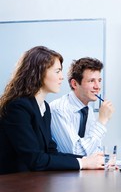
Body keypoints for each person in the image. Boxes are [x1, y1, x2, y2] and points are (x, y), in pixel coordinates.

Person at [0, 46, 104, 175]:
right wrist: (83, 163)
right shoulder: (18, 107)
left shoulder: (44, 107)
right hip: (13, 185)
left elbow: (51, 152)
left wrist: (88, 161)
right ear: (39, 72)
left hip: (33, 183)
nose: (61, 77)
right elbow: (35, 159)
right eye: (57, 71)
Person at [50, 57, 114, 155]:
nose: (98, 87)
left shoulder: (88, 110)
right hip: (60, 170)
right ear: (75, 84)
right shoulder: (59, 109)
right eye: (91, 81)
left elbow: (93, 149)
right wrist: (101, 121)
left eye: (99, 80)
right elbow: (76, 152)